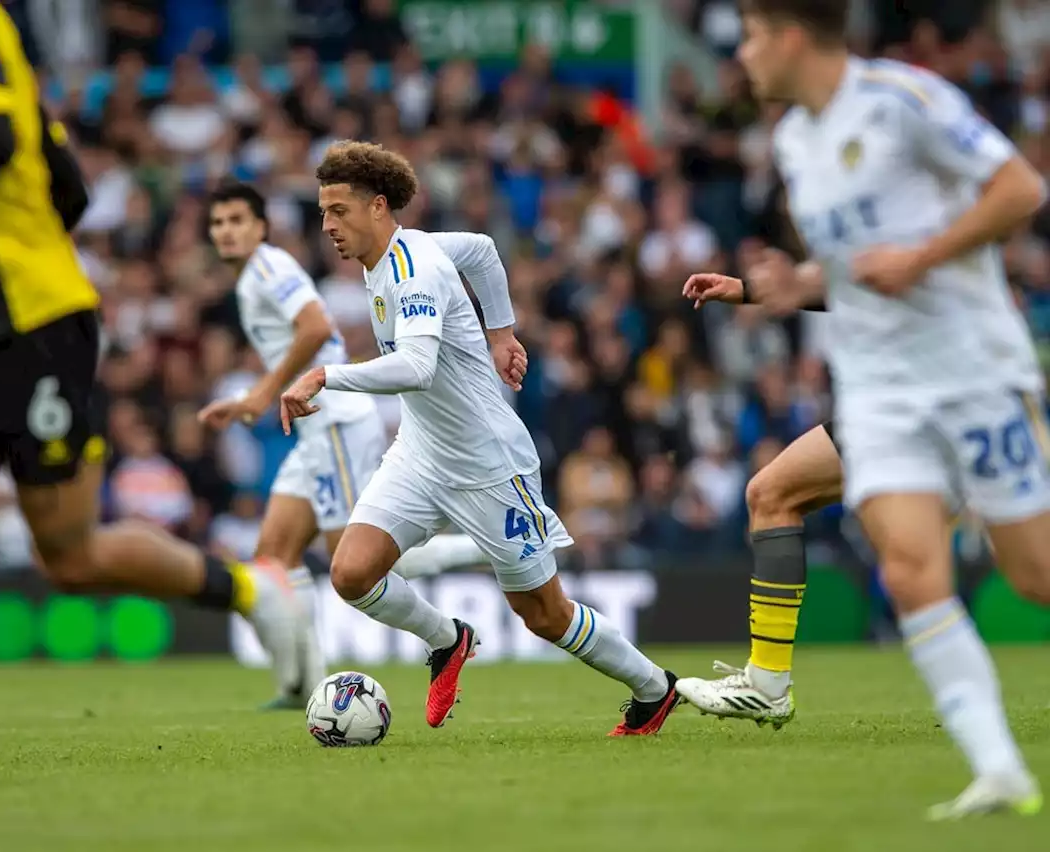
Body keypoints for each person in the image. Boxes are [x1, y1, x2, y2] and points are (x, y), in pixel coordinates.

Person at [0, 0, 301, 836]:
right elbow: (64, 180)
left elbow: (0, 141)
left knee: (71, 558)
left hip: (33, 327)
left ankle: (250, 587)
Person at [678, 0, 1049, 819]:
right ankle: (1000, 771)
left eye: (752, 37)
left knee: (1035, 574)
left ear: (794, 36)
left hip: (972, 370)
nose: (742, 55)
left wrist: (923, 257)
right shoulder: (793, 141)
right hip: (880, 392)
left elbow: (1020, 189)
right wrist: (776, 286)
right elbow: (848, 270)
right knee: (911, 569)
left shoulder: (902, 102)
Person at [281, 141, 683, 736]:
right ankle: (448, 640)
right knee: (351, 573)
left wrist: (326, 376)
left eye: (338, 210)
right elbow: (482, 249)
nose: (327, 226)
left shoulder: (412, 269)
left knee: (544, 616)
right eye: (322, 212)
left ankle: (654, 689)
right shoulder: (400, 251)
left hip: (490, 466)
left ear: (378, 207)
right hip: (422, 453)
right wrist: (501, 334)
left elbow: (417, 367)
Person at [198, 182, 500, 709]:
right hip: (317, 432)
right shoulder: (251, 278)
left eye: (237, 221)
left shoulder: (269, 267)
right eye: (218, 222)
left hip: (335, 421)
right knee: (273, 555)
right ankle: (301, 683)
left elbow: (316, 327)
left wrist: (260, 396)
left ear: (261, 227)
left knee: (358, 564)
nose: (227, 231)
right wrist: (256, 395)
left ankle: (484, 550)